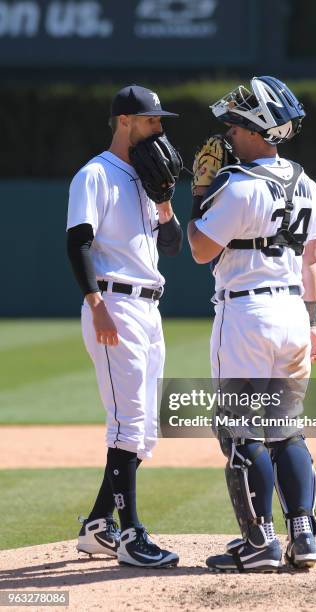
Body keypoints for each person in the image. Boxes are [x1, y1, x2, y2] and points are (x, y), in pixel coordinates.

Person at [188, 76, 316, 572]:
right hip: (292, 312)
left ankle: (260, 542)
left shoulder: (237, 184)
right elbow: (311, 261)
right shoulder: (307, 183)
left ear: (254, 128)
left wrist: (201, 193)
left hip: (245, 314)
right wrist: (310, 323)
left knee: (240, 431)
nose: (227, 131)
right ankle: (303, 535)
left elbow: (201, 249)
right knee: (286, 429)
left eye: (235, 123)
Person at [66, 84, 183, 568]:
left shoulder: (145, 178)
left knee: (144, 427)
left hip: (148, 308)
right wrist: (95, 304)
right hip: (113, 303)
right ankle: (131, 534)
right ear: (124, 122)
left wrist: (166, 201)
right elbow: (78, 242)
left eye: (159, 121)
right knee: (127, 423)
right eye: (151, 120)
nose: (159, 128)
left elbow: (172, 245)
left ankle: (98, 525)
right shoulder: (95, 174)